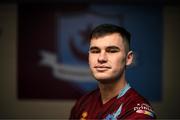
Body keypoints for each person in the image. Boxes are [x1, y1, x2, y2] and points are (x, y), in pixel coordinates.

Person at [69, 24, 156, 119]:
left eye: (112, 51)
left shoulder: (137, 111)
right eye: (95, 51)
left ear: (128, 58)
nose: (101, 58)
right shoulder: (83, 103)